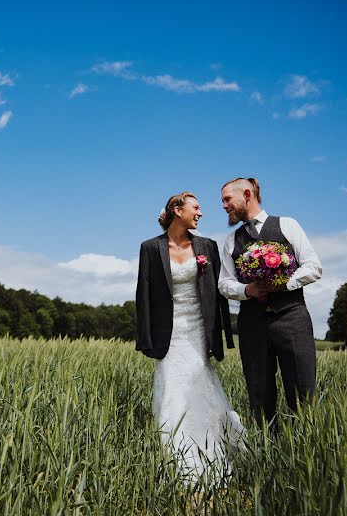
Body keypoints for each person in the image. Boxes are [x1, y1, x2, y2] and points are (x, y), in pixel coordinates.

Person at [135, 191, 244, 481]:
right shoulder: (149, 248)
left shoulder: (207, 246)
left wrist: (217, 338)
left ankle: (212, 448)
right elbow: (143, 296)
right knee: (172, 389)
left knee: (202, 387)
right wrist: (145, 339)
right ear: (177, 209)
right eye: (195, 208)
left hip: (199, 331)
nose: (201, 213)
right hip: (167, 335)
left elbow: (217, 297)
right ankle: (175, 456)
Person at [217, 177, 322, 425]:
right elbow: (224, 283)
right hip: (252, 324)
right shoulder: (231, 240)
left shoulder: (287, 224)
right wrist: (248, 290)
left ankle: (305, 449)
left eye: (227, 199)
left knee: (302, 390)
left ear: (246, 194)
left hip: (292, 317)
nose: (223, 206)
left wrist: (284, 283)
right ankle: (267, 454)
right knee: (259, 393)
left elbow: (313, 267)